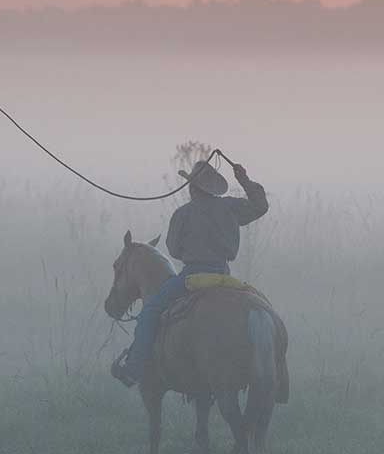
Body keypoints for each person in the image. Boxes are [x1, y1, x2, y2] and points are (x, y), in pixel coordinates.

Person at [115, 160, 269, 387]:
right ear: (212, 189)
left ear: (192, 187)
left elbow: (174, 249)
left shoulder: (182, 214)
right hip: (224, 276)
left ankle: (134, 368)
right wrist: (244, 180)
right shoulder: (230, 207)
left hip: (192, 277)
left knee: (150, 311)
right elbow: (260, 207)